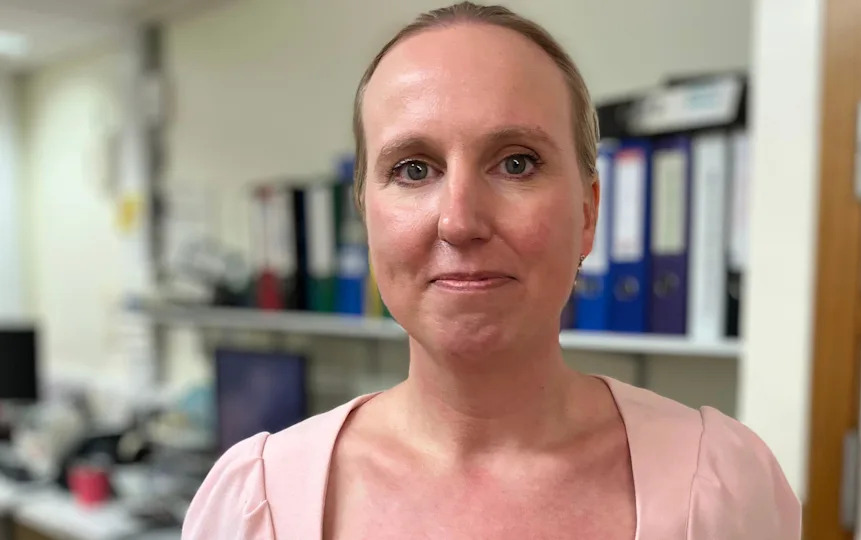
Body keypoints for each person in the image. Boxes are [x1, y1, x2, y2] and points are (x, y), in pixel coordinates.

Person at [182, 3, 801, 539]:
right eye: (414, 169)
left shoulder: (721, 488)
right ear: (367, 216)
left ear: (588, 214)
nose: (460, 221)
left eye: (516, 163)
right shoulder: (254, 503)